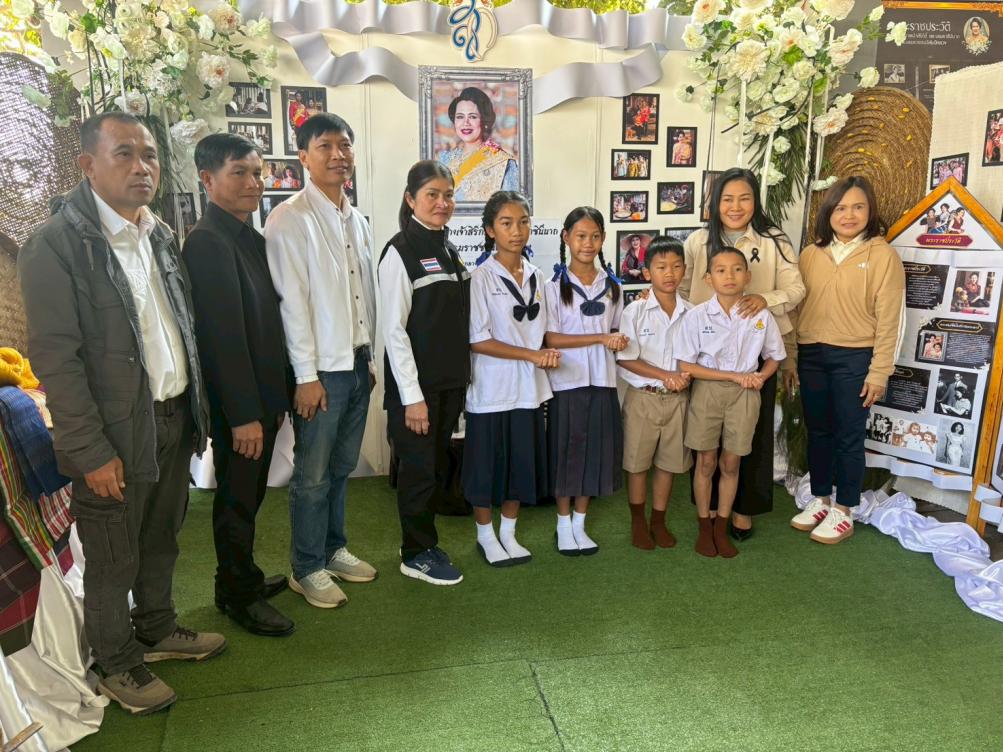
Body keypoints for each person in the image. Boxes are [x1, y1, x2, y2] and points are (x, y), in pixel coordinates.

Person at [17, 112, 223, 715]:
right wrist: (90, 452)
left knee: (161, 537)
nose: (142, 167)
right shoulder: (55, 244)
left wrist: (195, 413)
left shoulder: (157, 233)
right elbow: (56, 358)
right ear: (88, 165)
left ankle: (156, 627)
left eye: (150, 155)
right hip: (111, 434)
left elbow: (179, 328)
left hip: (172, 416)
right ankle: (115, 662)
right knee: (112, 554)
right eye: (125, 154)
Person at [183, 133, 294, 638]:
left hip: (264, 398)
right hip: (241, 408)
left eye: (257, 172)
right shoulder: (207, 241)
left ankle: (241, 575)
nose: (253, 182)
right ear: (208, 180)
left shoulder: (249, 237)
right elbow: (222, 337)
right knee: (236, 500)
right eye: (239, 173)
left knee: (248, 497)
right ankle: (235, 593)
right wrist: (245, 414)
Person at [265, 114, 378, 608]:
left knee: (341, 466)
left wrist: (368, 358)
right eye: (325, 146)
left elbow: (364, 297)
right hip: (321, 372)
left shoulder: (357, 220)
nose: (338, 155)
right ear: (303, 157)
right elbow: (291, 303)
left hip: (357, 364)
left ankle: (333, 549)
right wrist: (306, 376)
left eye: (345, 145)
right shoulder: (289, 218)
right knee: (311, 474)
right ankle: (306, 566)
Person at [680, 167, 804, 539]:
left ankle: (743, 509)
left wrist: (764, 299)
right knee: (707, 442)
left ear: (755, 202)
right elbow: (681, 288)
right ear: (715, 202)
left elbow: (796, 289)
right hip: (707, 356)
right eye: (727, 199)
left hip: (754, 352)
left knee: (750, 438)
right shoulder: (698, 241)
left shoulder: (773, 240)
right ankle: (707, 511)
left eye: (744, 198)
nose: (735, 207)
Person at [789, 176, 905, 545]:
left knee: (849, 435)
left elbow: (890, 320)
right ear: (829, 212)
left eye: (858, 207)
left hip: (855, 358)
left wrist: (879, 372)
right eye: (840, 208)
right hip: (811, 354)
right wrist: (791, 356)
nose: (849, 215)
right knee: (818, 431)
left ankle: (845, 509)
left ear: (870, 211)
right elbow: (795, 310)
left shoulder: (882, 255)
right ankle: (821, 499)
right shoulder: (810, 254)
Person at [379, 161, 468, 586]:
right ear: (410, 199)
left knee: (432, 469)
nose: (442, 203)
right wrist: (412, 397)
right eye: (432, 194)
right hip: (418, 392)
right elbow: (393, 331)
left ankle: (422, 544)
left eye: (448, 195)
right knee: (417, 473)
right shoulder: (400, 251)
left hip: (449, 385)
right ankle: (416, 553)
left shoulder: (447, 248)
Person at [463, 190, 558, 566]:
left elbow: (544, 331)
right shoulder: (480, 278)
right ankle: (485, 536)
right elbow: (478, 340)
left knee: (521, 463)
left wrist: (546, 353)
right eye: (506, 223)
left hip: (528, 390)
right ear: (490, 230)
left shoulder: (538, 276)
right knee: (485, 467)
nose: (516, 231)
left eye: (523, 222)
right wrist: (532, 355)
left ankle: (508, 533)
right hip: (491, 388)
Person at [677, 247, 786, 558]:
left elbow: (775, 356)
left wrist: (761, 377)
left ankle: (721, 526)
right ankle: (705, 526)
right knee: (706, 461)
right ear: (708, 278)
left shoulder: (761, 315)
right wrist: (733, 376)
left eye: (737, 269)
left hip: (745, 395)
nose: (730, 276)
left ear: (747, 276)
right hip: (707, 392)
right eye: (721, 270)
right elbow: (687, 365)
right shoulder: (697, 316)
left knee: (731, 462)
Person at [545, 207, 626, 555]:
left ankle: (580, 522)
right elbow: (551, 338)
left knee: (595, 452)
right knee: (567, 453)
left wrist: (618, 339)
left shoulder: (613, 287)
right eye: (580, 236)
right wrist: (600, 338)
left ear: (603, 239)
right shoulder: (552, 288)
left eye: (594, 236)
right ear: (566, 238)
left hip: (603, 382)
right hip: (567, 383)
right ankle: (563, 525)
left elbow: (617, 330)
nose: (587, 243)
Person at [616, 238, 693, 550]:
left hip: (678, 401)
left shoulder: (692, 313)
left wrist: (683, 377)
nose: (669, 273)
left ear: (685, 269)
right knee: (637, 464)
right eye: (661, 267)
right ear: (647, 272)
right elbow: (626, 358)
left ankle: (658, 521)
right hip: (643, 399)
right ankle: (638, 522)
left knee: (668, 464)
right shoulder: (635, 311)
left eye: (676, 266)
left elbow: (698, 357)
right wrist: (666, 376)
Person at [437, 87, 518, 202]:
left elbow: (512, 206)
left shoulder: (504, 163)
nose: (465, 123)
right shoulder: (443, 160)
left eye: (473, 117)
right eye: (460, 117)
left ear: (484, 120)